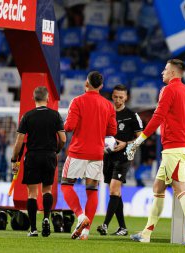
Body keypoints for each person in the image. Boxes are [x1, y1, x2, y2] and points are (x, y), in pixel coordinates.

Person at [126, 59, 185, 244]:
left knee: (181, 188)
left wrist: (138, 141)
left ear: (173, 73)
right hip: (179, 148)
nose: (162, 73)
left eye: (165, 70)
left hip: (173, 149)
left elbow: (158, 117)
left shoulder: (168, 90)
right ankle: (146, 234)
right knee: (158, 187)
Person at [61, 71, 117, 240]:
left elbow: (69, 126)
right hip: (97, 154)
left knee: (66, 184)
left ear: (86, 83)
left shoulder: (77, 101)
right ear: (101, 86)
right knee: (92, 190)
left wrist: (63, 123)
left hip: (78, 152)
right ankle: (85, 232)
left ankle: (80, 216)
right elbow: (112, 131)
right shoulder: (108, 105)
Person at [11, 86, 66, 237]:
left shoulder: (27, 116)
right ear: (48, 98)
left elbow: (19, 141)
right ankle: (47, 218)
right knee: (47, 190)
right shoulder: (55, 116)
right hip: (49, 155)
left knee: (32, 194)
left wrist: (14, 159)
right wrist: (56, 150)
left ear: (33, 98)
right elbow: (63, 139)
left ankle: (34, 229)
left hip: (33, 156)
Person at [97, 84, 143, 236]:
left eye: (121, 97)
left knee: (113, 189)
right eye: (115, 97)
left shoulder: (132, 115)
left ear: (126, 97)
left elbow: (140, 139)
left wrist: (125, 144)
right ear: (112, 96)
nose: (118, 100)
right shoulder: (106, 112)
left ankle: (104, 225)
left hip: (124, 156)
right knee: (116, 193)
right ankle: (122, 227)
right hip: (108, 156)